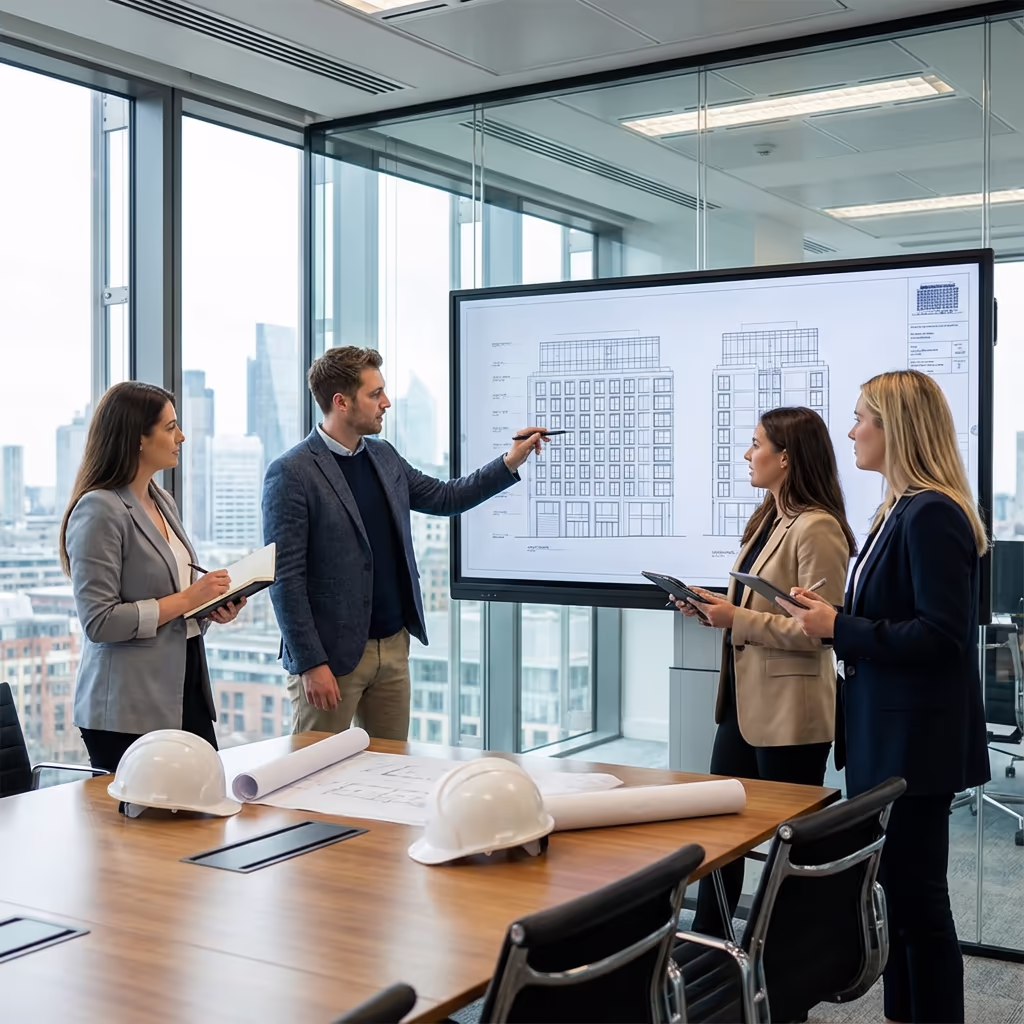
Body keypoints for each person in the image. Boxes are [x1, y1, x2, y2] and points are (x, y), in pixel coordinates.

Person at [782, 370, 989, 1024]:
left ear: (895, 428)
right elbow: (898, 616)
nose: (850, 433)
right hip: (887, 736)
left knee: (919, 904)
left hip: (914, 744)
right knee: (897, 898)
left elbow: (942, 636)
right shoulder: (898, 510)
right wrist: (831, 617)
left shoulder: (931, 512)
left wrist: (839, 628)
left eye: (861, 419)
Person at [263, 346, 544, 740]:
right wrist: (310, 663)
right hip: (330, 660)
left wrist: (509, 461)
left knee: (391, 769)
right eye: (375, 394)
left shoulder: (384, 456)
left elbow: (446, 497)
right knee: (317, 771)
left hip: (393, 649)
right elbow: (285, 579)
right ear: (341, 402)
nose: (386, 403)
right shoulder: (291, 472)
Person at [672, 406, 856, 939]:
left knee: (789, 846)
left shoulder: (817, 527)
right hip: (743, 705)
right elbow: (761, 606)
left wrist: (737, 619)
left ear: (786, 457)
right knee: (721, 830)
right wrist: (713, 607)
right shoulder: (770, 518)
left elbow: (820, 629)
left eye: (756, 444)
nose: (747, 454)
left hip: (790, 715)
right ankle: (709, 943)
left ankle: (789, 964)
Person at [61, 382, 246, 772]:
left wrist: (208, 609)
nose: (181, 437)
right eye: (170, 427)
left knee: (205, 799)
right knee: (154, 811)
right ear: (138, 439)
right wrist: (188, 599)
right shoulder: (99, 509)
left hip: (185, 687)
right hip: (127, 708)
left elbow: (174, 603)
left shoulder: (163, 502)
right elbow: (100, 622)